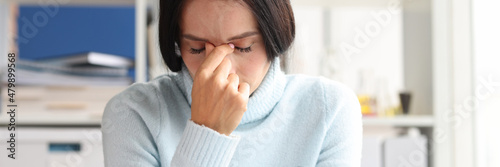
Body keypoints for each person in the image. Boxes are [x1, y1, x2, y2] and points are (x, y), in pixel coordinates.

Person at [102, 0, 362, 166]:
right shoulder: (133, 113)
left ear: (275, 37)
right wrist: (207, 132)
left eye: (243, 47)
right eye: (196, 49)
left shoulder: (330, 108)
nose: (221, 70)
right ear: (177, 44)